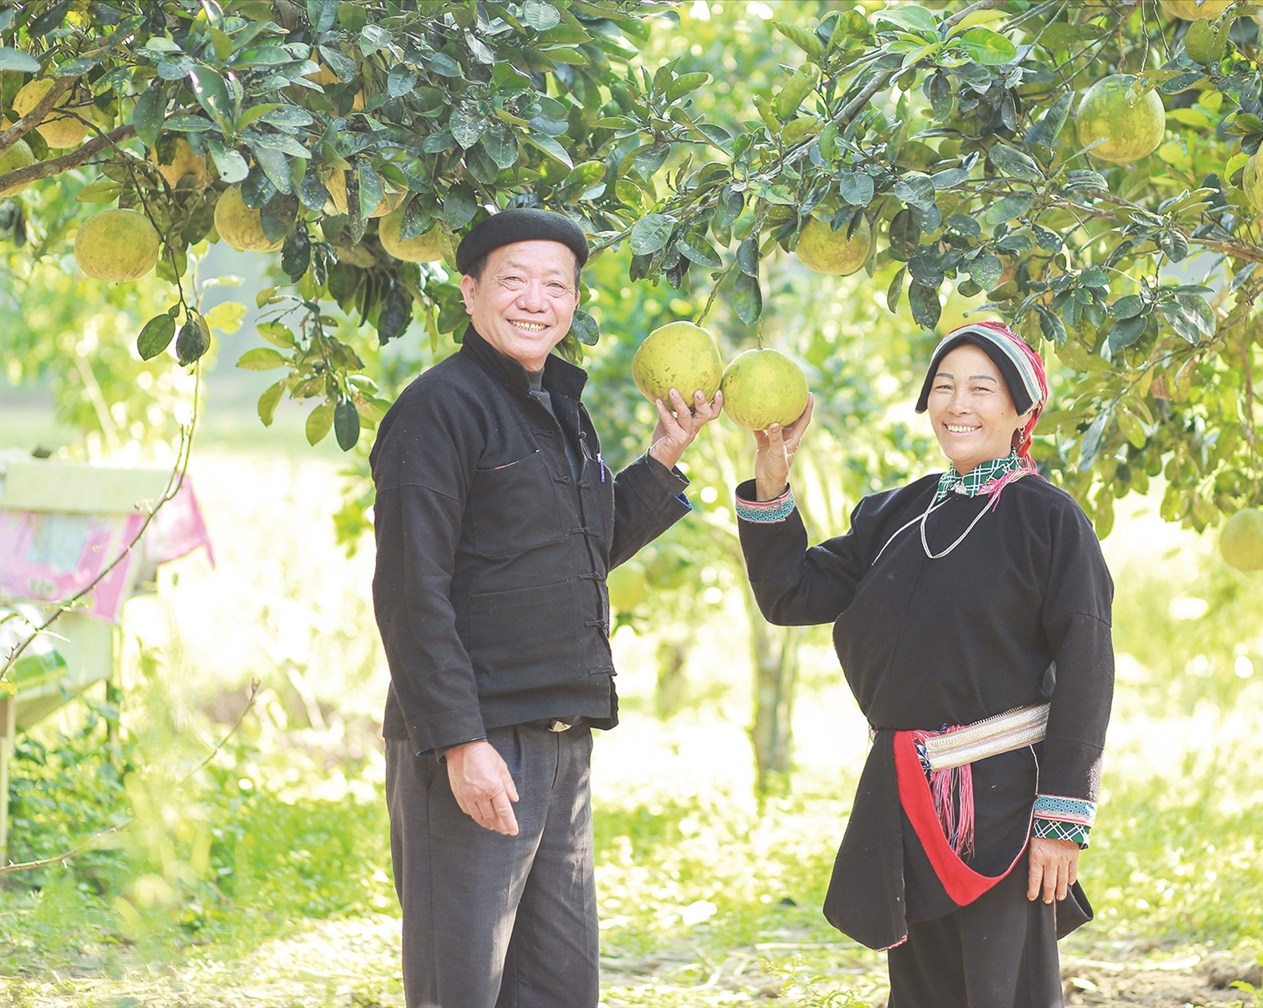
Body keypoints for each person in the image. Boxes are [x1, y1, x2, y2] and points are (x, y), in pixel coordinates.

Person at [371, 207, 723, 1008]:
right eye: (514, 280)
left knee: (560, 988)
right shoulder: (439, 411)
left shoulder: (563, 409)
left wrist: (665, 456)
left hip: (562, 745)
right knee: (460, 986)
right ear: (470, 291)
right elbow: (409, 591)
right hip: (480, 738)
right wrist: (460, 740)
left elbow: (581, 545)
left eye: (555, 285)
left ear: (572, 302)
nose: (536, 300)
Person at [733, 321, 1114, 1007]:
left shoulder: (1052, 521)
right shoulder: (891, 515)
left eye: (981, 389)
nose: (958, 405)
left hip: (1006, 805)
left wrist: (1062, 820)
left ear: (1023, 409)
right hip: (902, 799)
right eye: (943, 387)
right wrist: (773, 473)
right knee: (921, 995)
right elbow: (791, 594)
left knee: (1006, 994)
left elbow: (1088, 668)